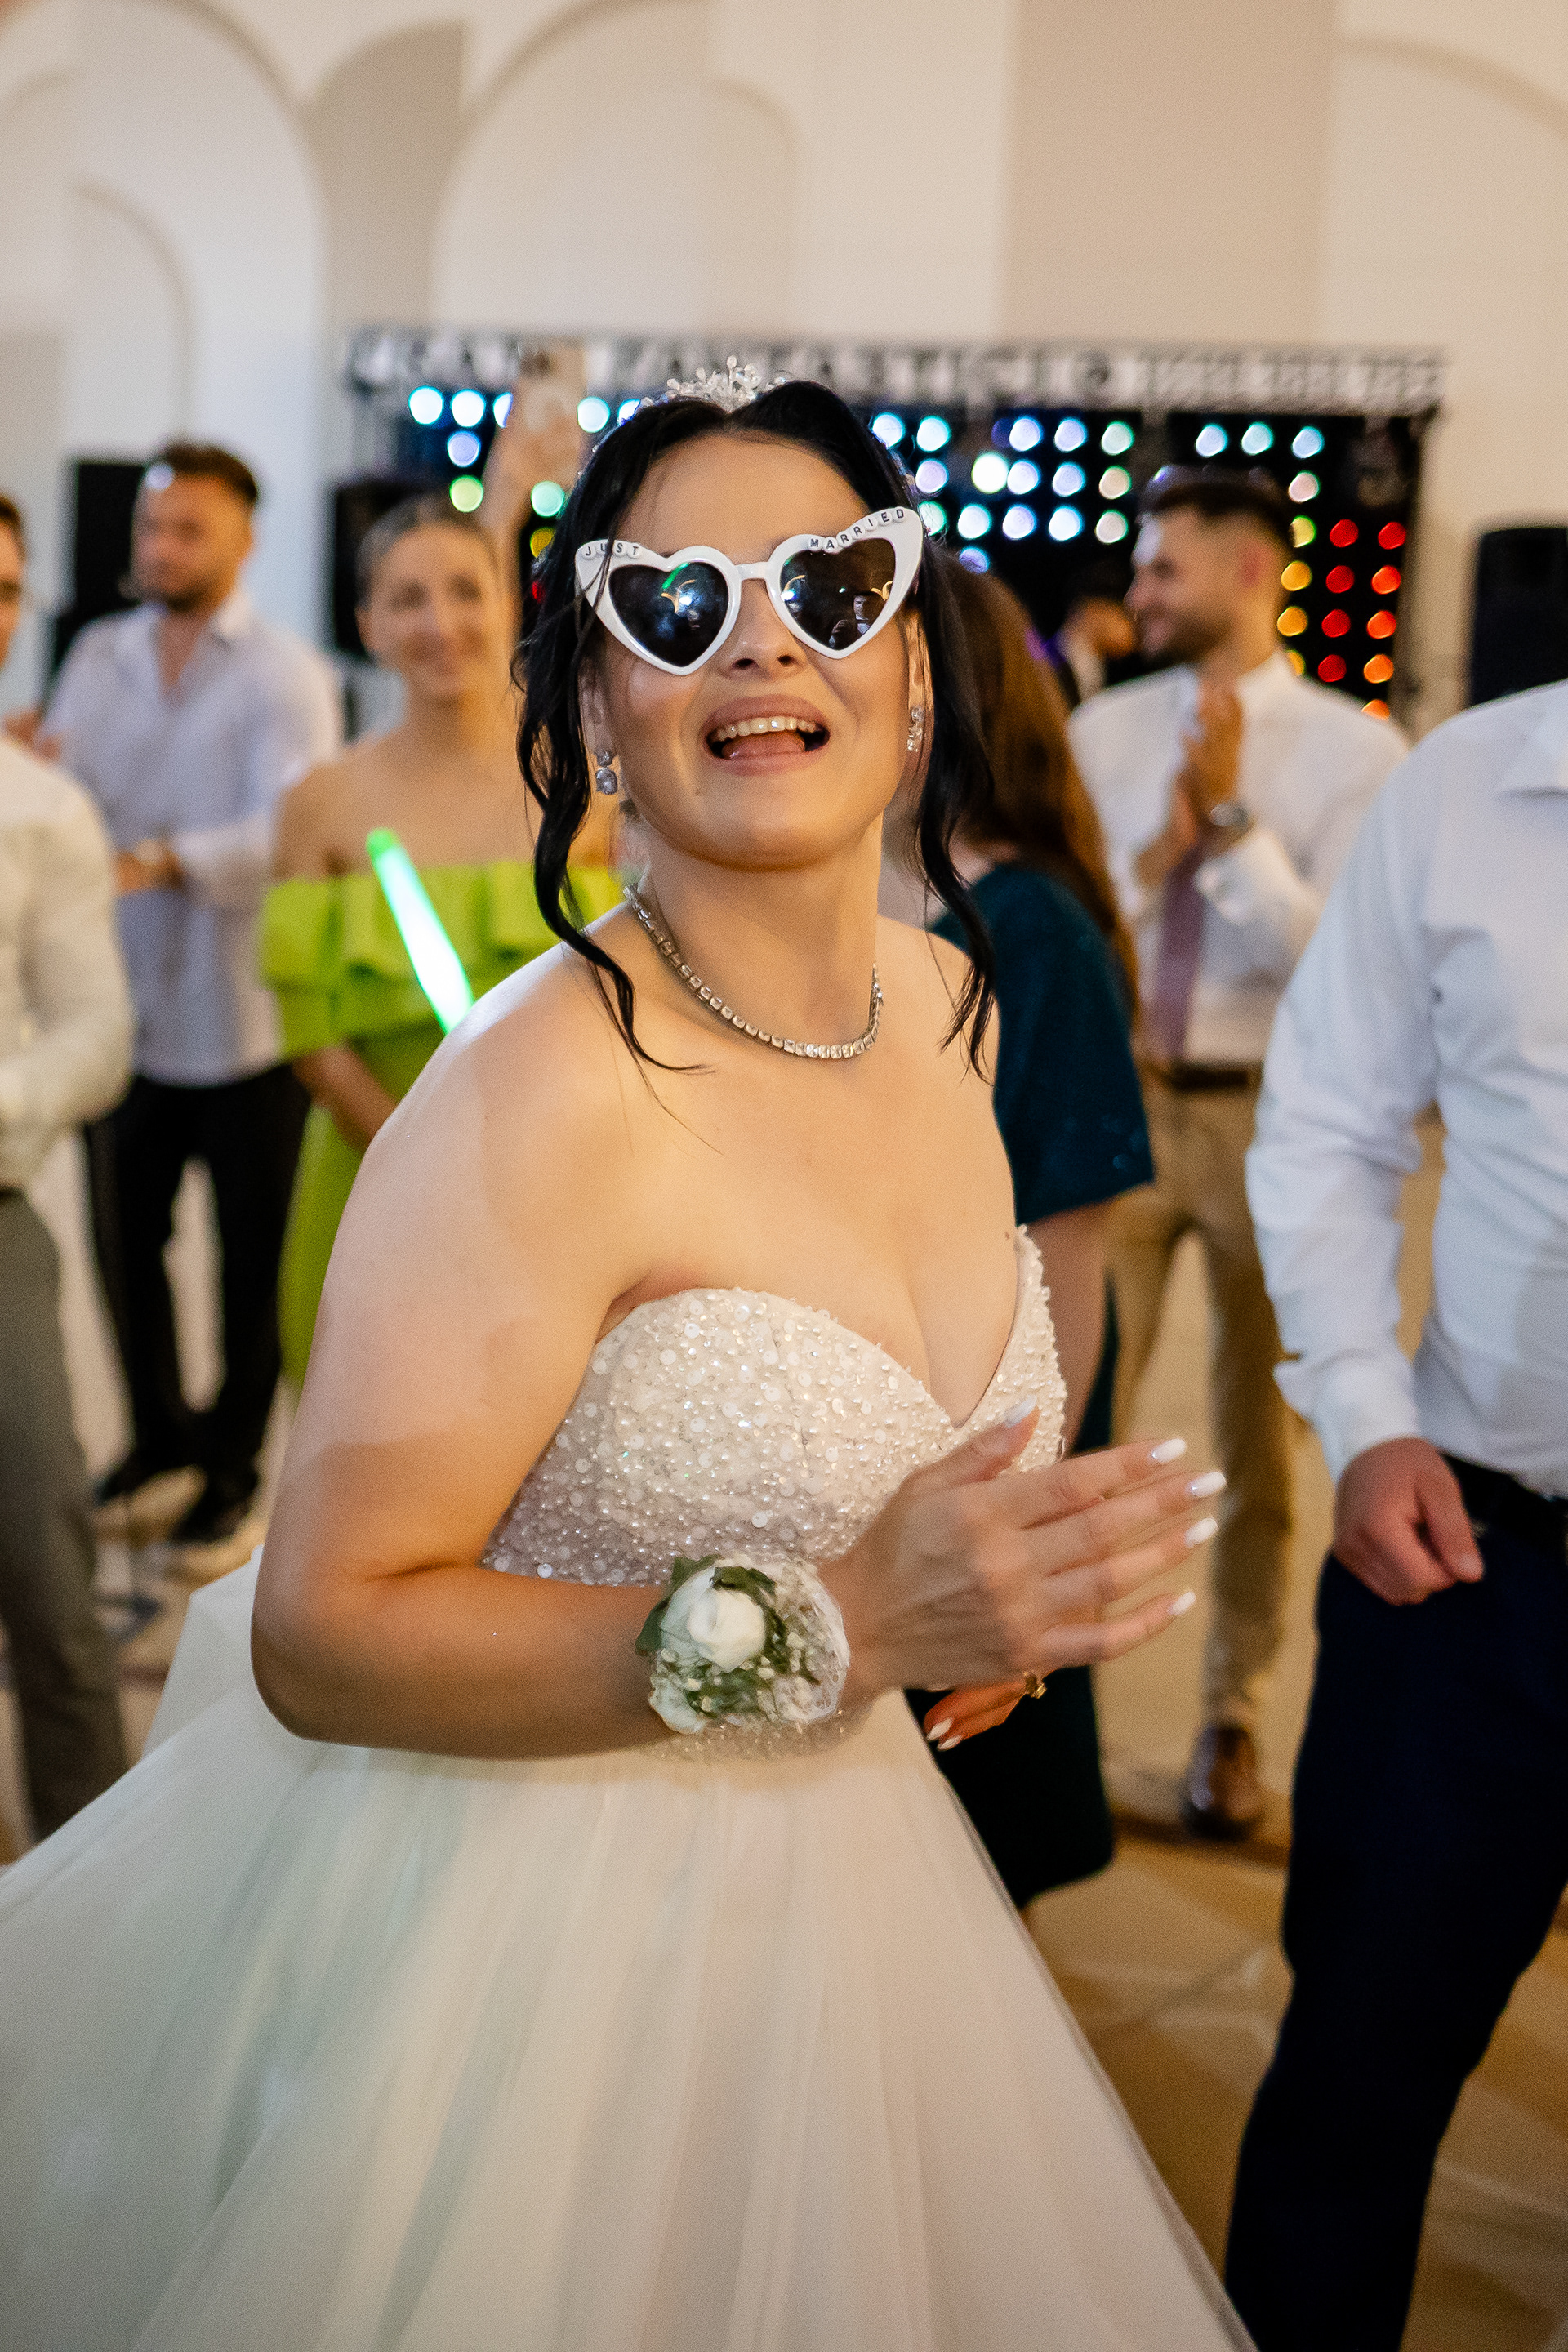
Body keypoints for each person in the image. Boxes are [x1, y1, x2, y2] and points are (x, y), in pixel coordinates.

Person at [0, 381, 1246, 2350]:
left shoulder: (955, 1006)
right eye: (676, 605)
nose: (762, 642)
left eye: (829, 589)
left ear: (915, 675)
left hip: (860, 1902)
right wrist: (838, 1619)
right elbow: (323, 1630)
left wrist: (972, 1595)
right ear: (598, 707)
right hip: (538, 1960)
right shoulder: (540, 1088)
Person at [1225, 682, 1568, 2351]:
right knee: (1354, 2083)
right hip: (1473, 1562)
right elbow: (1329, 1119)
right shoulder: (1470, 785)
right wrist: (1364, 1419)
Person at [1071, 467, 1406, 1838]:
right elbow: (1079, 919)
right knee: (1074, 1409)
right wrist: (1155, 857)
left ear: (1249, 570)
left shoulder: (1356, 753)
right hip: (1121, 1099)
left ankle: (1234, 1714)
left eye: (1164, 567)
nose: (1139, 591)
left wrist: (1228, 829)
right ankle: (1045, 1701)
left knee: (1262, 1440)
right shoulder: (1102, 730)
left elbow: (1340, 963)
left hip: (1278, 1115)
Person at [901, 557, 1156, 1904]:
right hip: (861, 1404)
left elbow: (1069, 1254)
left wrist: (1031, 1502)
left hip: (992, 1406)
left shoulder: (1032, 928)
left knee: (972, 1845)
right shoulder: (849, 899)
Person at [41, 443, 341, 1571]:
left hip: (243, 1013)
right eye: (150, 528)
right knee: (126, 1243)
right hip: (121, 1008)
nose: (160, 549)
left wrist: (166, 859)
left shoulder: (286, 675)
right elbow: (69, 794)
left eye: (186, 531)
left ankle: (229, 1470)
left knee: (247, 1260)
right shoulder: (98, 656)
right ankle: (157, 1440)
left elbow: (289, 830)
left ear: (244, 539)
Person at [264, 493, 620, 1387]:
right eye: (407, 599)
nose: (440, 624)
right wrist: (422, 1162)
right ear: (367, 626)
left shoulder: (585, 787)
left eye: (466, 591)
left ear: (506, 604)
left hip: (564, 1178)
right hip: (375, 1168)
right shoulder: (320, 802)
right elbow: (312, 1038)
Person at [0, 492, 131, 1837]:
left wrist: (9, 1097)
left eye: (1, 590)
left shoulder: (42, 808)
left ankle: (83, 1884)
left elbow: (98, 1033)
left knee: (45, 1555)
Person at [1041, 554, 1139, 711]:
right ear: (1095, 610)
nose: (1135, 630)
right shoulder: (1043, 667)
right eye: (1126, 616)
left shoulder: (1112, 667)